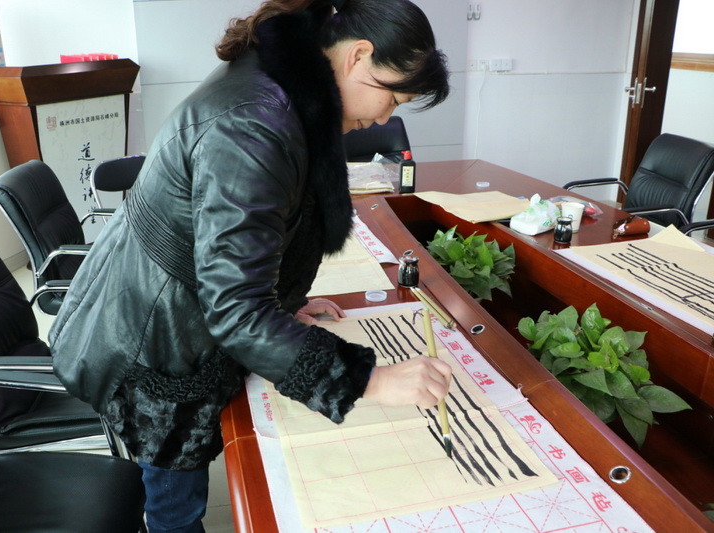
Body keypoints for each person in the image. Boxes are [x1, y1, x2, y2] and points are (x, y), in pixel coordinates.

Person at [48, 0, 452, 531]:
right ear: (358, 55)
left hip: (173, 305)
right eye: (392, 97)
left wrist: (282, 303)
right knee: (174, 499)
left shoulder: (286, 84)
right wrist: (369, 381)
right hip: (153, 332)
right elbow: (236, 309)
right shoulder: (255, 122)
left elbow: (243, 242)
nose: (383, 118)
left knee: (178, 482)